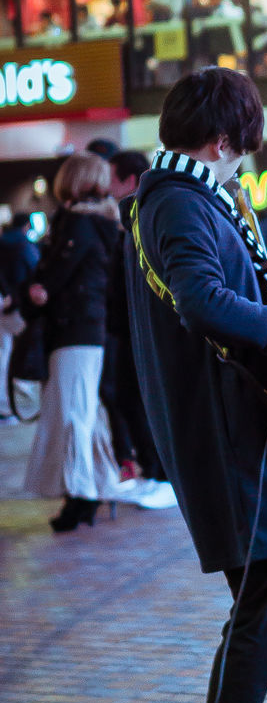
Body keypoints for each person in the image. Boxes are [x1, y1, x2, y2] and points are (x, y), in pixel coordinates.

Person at [122, 66, 267, 703]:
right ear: (225, 138)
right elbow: (203, 301)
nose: (246, 162)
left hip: (234, 430)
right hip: (232, 434)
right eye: (244, 147)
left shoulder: (174, 195)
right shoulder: (177, 200)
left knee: (262, 601)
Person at [22, 153, 123, 530]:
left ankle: (80, 497)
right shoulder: (101, 222)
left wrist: (36, 291)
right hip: (88, 329)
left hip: (73, 329)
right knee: (83, 412)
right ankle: (93, 488)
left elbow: (52, 278)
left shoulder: (76, 224)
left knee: (71, 415)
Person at [102, 151, 177, 507]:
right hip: (125, 325)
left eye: (112, 178)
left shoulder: (147, 215)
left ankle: (162, 475)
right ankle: (152, 471)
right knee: (128, 398)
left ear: (130, 179)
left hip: (140, 328)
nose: (107, 186)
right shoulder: (129, 219)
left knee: (141, 400)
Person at [0, 212, 41, 419]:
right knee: (26, 341)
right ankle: (20, 383)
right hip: (18, 303)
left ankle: (7, 398)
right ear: (26, 225)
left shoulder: (3, 241)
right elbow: (35, 269)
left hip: (4, 301)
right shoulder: (24, 245)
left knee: (4, 349)